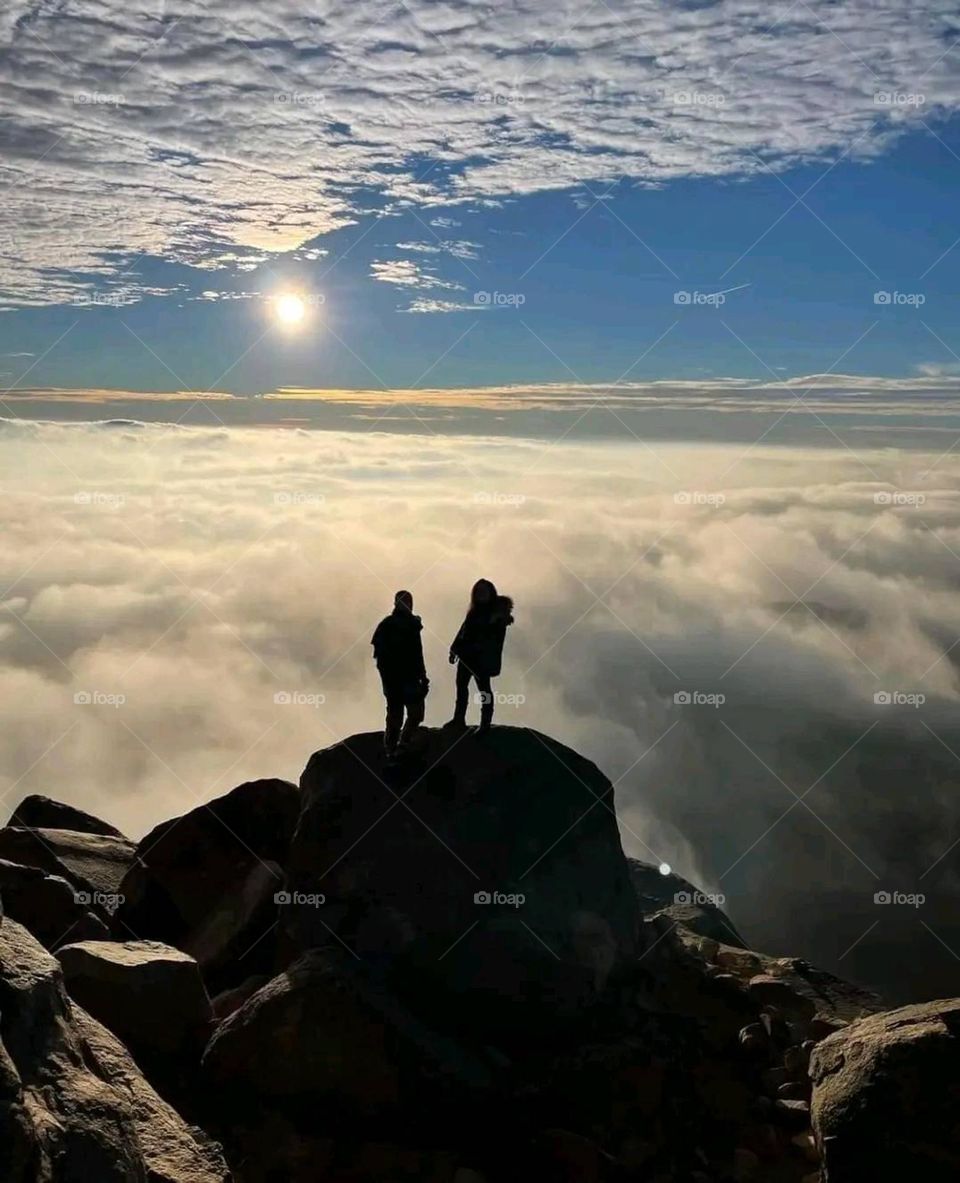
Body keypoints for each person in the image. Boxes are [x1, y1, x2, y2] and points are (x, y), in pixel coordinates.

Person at [447, 578, 514, 733]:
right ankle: (459, 719)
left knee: (484, 691)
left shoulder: (496, 615)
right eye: (478, 592)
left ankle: (485, 724)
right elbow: (464, 631)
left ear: (491, 593)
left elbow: (493, 639)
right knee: (461, 688)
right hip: (466, 655)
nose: (481, 594)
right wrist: (454, 648)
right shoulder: (475, 612)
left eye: (484, 591)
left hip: (480, 658)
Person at [371, 590, 429, 757]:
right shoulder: (389, 625)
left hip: (408, 677)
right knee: (397, 715)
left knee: (413, 713)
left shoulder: (410, 625)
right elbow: (380, 655)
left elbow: (418, 653)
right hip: (397, 678)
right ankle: (393, 748)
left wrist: (422, 675)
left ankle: (400, 745)